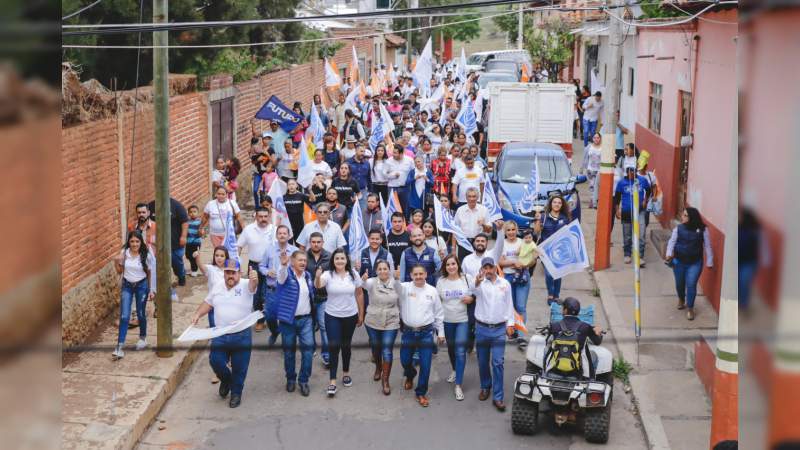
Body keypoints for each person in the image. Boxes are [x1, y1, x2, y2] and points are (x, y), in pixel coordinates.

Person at [190, 260, 259, 408]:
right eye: (227, 272)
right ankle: (226, 380)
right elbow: (208, 303)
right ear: (224, 273)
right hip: (220, 334)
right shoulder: (218, 286)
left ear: (239, 274)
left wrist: (255, 279)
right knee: (215, 361)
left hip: (241, 335)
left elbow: (253, 286)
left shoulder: (246, 285)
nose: (230, 276)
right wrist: (197, 314)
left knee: (239, 368)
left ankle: (236, 393)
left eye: (233, 273)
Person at [315, 248, 364, 397]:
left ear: (346, 260)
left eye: (342, 258)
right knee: (334, 346)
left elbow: (359, 293)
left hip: (350, 315)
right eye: (337, 259)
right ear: (333, 261)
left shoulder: (353, 274)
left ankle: (346, 373)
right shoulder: (328, 274)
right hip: (332, 316)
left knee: (346, 345)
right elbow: (318, 285)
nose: (340, 261)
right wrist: (317, 277)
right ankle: (332, 381)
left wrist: (361, 313)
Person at [399, 264, 445, 407]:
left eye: (421, 274)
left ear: (426, 274)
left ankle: (421, 393)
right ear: (411, 275)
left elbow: (438, 313)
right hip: (408, 333)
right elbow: (391, 286)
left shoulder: (432, 291)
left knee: (425, 365)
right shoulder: (404, 288)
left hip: (426, 333)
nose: (418, 277)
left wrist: (441, 333)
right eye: (415, 274)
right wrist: (394, 277)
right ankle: (410, 375)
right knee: (405, 360)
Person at [473, 257, 515, 412]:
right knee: (483, 361)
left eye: (491, 268)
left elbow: (509, 305)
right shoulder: (479, 283)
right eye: (486, 268)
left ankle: (498, 396)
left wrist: (510, 324)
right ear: (482, 269)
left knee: (497, 362)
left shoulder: (505, 284)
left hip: (498, 330)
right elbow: (473, 290)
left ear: (495, 268)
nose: (488, 271)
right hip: (482, 329)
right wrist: (477, 281)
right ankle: (485, 387)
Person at [275, 250, 316, 397]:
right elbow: (280, 277)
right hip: (288, 321)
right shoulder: (286, 275)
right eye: (300, 260)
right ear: (293, 262)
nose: (303, 263)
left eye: (305, 260)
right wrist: (283, 265)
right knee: (289, 353)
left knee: (308, 351)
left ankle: (303, 380)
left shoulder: (308, 276)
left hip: (306, 320)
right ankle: (291, 378)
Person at [112, 231, 156, 360]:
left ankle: (143, 338)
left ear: (141, 242)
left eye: (137, 241)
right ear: (128, 242)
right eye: (132, 241)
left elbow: (149, 273)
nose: (134, 244)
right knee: (125, 316)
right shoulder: (124, 253)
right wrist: (116, 262)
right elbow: (120, 271)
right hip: (127, 286)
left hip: (141, 286)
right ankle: (119, 347)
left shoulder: (146, 255)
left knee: (141, 314)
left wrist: (151, 290)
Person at [665, 207, 714, 320]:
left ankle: (690, 308)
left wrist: (710, 261)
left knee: (691, 284)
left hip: (695, 263)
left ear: (692, 217)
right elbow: (671, 242)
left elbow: (707, 246)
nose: (682, 217)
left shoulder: (703, 229)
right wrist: (668, 254)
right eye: (683, 214)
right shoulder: (678, 229)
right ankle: (681, 299)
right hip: (679, 262)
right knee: (679, 284)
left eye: (685, 215)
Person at [362, 259, 402, 395]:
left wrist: (397, 279)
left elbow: (402, 296)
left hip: (391, 319)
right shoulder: (371, 282)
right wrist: (362, 278)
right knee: (376, 348)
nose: (383, 271)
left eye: (385, 269)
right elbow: (359, 284)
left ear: (389, 270)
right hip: (373, 320)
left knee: (387, 350)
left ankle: (385, 380)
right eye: (380, 269)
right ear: (376, 271)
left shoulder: (396, 282)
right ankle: (378, 367)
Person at [436, 254, 473, 401]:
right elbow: (437, 305)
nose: (451, 267)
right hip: (447, 321)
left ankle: (458, 385)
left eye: (453, 264)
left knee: (460, 350)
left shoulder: (466, 279)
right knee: (451, 349)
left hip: (462, 320)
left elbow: (476, 293)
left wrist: (472, 298)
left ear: (458, 264)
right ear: (445, 267)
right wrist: (439, 329)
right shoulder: (441, 281)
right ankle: (454, 369)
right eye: (448, 265)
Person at [237, 207, 276, 332]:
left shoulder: (275, 230)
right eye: (260, 216)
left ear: (269, 216)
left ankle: (266, 318)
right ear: (256, 216)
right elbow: (239, 246)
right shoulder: (248, 230)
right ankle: (260, 319)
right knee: (256, 294)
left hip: (270, 266)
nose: (263, 219)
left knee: (267, 293)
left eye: (265, 216)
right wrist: (237, 265)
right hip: (254, 265)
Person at [496, 221, 533, 348]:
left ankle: (521, 335)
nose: (511, 232)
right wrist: (513, 262)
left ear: (517, 230)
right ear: (505, 232)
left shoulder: (523, 242)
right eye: (508, 230)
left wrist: (526, 263)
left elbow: (532, 259)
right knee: (510, 306)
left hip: (523, 276)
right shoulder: (502, 244)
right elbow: (499, 262)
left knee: (521, 306)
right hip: (508, 278)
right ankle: (512, 331)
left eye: (513, 229)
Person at [259, 225, 298, 343]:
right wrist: (267, 272)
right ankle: (275, 332)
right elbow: (261, 266)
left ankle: (286, 342)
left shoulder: (294, 251)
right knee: (270, 316)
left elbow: (299, 268)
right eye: (279, 233)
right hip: (273, 289)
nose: (282, 235)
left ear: (289, 235)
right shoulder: (269, 249)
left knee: (286, 318)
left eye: (284, 233)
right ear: (276, 235)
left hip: (288, 290)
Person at [548, 297, 604, 378]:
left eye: (563, 308)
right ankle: (591, 378)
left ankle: (544, 371)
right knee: (594, 356)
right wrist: (598, 333)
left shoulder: (555, 325)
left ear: (565, 310)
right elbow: (597, 341)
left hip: (556, 367)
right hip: (577, 370)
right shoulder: (585, 327)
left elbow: (548, 341)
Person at [534, 194, 572, 304]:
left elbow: (569, 234)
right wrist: (537, 220)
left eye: (559, 203)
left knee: (558, 273)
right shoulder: (543, 217)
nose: (557, 204)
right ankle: (550, 295)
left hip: (560, 251)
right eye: (554, 202)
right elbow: (536, 232)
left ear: (562, 205)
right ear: (551, 204)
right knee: (549, 274)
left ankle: (556, 296)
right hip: (546, 251)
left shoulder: (565, 218)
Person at [148, 197, 189, 287]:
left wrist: (183, 236)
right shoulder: (150, 206)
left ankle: (181, 276)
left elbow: (185, 222)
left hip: (175, 243)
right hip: (157, 244)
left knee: (176, 263)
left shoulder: (176, 205)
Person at [614, 167, 651, 266]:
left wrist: (645, 201)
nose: (632, 173)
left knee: (642, 234)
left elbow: (648, 190)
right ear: (627, 172)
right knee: (627, 235)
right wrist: (617, 210)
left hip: (640, 212)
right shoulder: (621, 183)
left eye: (633, 171)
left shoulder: (642, 180)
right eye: (630, 171)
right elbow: (617, 198)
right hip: (626, 212)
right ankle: (627, 254)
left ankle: (640, 256)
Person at [305, 232, 331, 367]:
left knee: (323, 326)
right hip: (307, 298)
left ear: (322, 242)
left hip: (323, 297)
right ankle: (312, 347)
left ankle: (326, 354)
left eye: (318, 242)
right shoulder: (303, 256)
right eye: (313, 242)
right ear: (310, 242)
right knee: (309, 325)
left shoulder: (329, 257)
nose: (316, 244)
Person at [193, 246, 229, 327]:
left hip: (227, 304)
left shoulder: (230, 271)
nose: (219, 258)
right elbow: (202, 267)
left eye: (222, 256)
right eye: (217, 255)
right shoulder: (211, 269)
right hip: (213, 305)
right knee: (214, 330)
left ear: (226, 257)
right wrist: (197, 257)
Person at [454, 188, 493, 261]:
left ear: (477, 197)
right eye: (469, 196)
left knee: (479, 266)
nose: (472, 199)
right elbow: (454, 230)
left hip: (479, 243)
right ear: (466, 197)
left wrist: (483, 224)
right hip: (463, 243)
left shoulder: (484, 210)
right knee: (463, 267)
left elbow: (489, 230)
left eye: (474, 196)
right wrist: (453, 249)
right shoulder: (460, 210)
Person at [385, 143, 415, 214]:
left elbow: (413, 173)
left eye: (395, 153)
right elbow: (384, 175)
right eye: (393, 152)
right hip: (392, 188)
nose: (393, 154)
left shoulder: (410, 160)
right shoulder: (388, 161)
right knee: (392, 209)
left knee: (405, 208)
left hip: (405, 189)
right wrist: (393, 175)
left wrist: (409, 181)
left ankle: (406, 223)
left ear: (401, 153)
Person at [347, 144, 372, 213]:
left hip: (363, 191)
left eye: (364, 152)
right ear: (355, 151)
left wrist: (370, 191)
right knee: (350, 212)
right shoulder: (348, 162)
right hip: (350, 191)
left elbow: (369, 178)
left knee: (362, 211)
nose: (363, 153)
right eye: (361, 151)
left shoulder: (367, 163)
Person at [582, 132, 603, 209]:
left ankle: (594, 201)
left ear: (600, 139)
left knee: (596, 186)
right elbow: (584, 158)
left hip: (599, 171)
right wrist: (582, 169)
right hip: (590, 170)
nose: (596, 139)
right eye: (594, 138)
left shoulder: (603, 147)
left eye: (598, 137)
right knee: (591, 186)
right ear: (592, 139)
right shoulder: (588, 147)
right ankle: (593, 200)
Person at [282, 179, 306, 245]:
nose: (291, 186)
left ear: (296, 186)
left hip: (299, 224)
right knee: (288, 244)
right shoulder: (283, 197)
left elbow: (312, 200)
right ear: (287, 186)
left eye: (293, 184)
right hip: (288, 224)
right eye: (289, 184)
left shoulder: (301, 195)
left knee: (299, 244)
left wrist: (310, 190)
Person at [186, 205, 202, 277]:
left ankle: (194, 270)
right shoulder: (187, 222)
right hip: (188, 242)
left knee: (194, 256)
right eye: (190, 212)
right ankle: (193, 267)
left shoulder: (199, 222)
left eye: (194, 212)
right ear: (188, 213)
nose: (192, 213)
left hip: (196, 242)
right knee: (188, 255)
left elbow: (202, 232)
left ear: (198, 213)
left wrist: (201, 232)